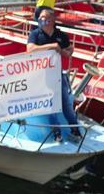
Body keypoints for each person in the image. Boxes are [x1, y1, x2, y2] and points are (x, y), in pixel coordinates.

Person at [26, 8, 80, 140]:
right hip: (41, 76)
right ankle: (57, 133)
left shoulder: (60, 35)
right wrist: (51, 46)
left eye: (44, 17)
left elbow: (70, 49)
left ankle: (75, 130)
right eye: (40, 18)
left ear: (51, 20)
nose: (41, 19)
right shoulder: (35, 34)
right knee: (50, 105)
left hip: (57, 75)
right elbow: (30, 49)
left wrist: (64, 51)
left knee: (65, 104)